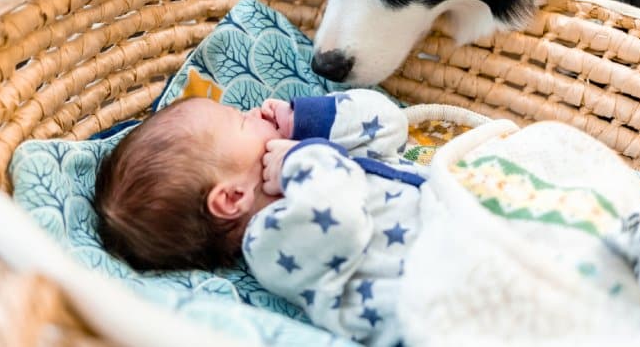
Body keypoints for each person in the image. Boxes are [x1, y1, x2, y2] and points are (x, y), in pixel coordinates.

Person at [94, 88, 428, 346]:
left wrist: (308, 120)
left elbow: (389, 126)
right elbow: (342, 220)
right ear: (231, 198)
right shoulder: (270, 239)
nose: (255, 111)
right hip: (429, 303)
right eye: (241, 121)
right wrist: (301, 158)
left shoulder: (315, 159)